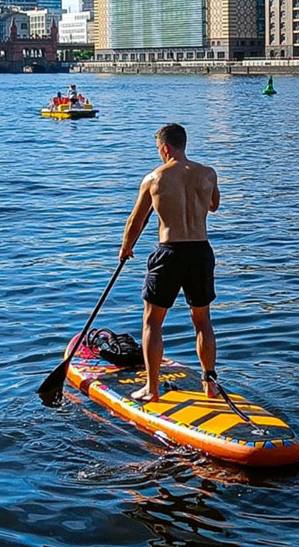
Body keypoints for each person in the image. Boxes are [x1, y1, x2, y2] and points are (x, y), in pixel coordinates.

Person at [119, 123, 220, 403]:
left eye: (159, 150)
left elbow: (136, 220)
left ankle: (152, 388)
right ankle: (209, 382)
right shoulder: (208, 174)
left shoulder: (154, 178)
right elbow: (214, 205)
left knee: (152, 321)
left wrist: (126, 248)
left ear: (166, 148)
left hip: (170, 251)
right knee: (203, 321)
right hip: (201, 251)